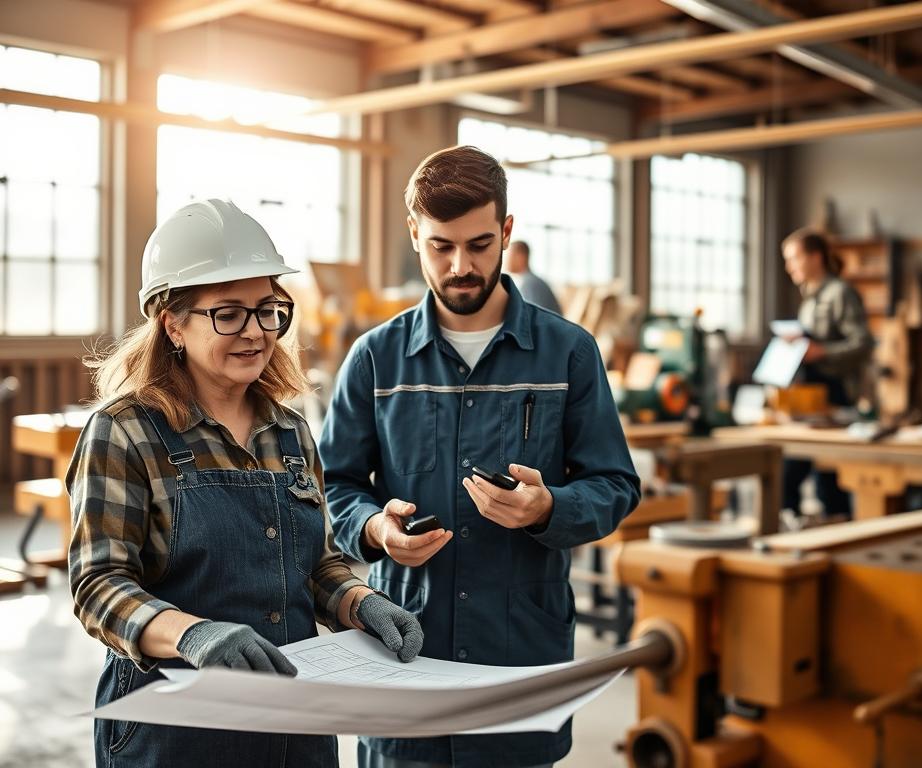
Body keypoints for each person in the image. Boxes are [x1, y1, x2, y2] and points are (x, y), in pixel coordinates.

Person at [67, 199, 424, 768]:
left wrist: (360, 602)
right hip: (176, 731)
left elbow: (315, 566)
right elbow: (98, 586)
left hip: (294, 725)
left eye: (268, 310)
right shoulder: (125, 432)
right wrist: (192, 635)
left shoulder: (289, 431)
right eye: (228, 313)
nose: (257, 332)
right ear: (172, 323)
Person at [319, 146, 641, 768]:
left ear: (507, 232)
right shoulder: (375, 359)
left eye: (480, 244)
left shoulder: (568, 353)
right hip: (406, 646)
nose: (461, 265)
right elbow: (333, 485)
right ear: (414, 235)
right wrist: (375, 527)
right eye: (441, 246)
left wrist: (550, 509)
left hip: (519, 653)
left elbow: (614, 483)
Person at [780, 227, 873, 523]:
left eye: (794, 258)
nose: (789, 266)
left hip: (836, 397)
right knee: (812, 476)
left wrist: (821, 352)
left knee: (823, 476)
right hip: (811, 397)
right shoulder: (809, 297)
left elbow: (863, 343)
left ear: (815, 257)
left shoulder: (839, 293)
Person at [504, 241, 562, 314]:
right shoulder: (530, 281)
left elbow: (529, 319)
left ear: (521, 257)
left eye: (509, 255)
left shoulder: (530, 284)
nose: (505, 260)